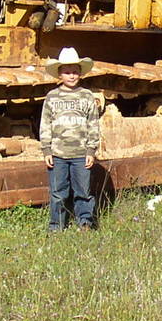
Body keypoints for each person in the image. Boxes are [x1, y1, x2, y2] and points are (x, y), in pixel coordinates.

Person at [39, 47, 102, 232]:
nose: (71, 76)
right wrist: (46, 150)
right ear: (59, 74)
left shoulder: (87, 96)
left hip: (81, 154)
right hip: (58, 154)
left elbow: (93, 123)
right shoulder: (52, 97)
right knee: (58, 193)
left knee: (83, 192)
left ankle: (85, 223)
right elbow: (45, 124)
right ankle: (56, 226)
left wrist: (91, 150)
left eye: (75, 71)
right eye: (67, 72)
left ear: (80, 73)